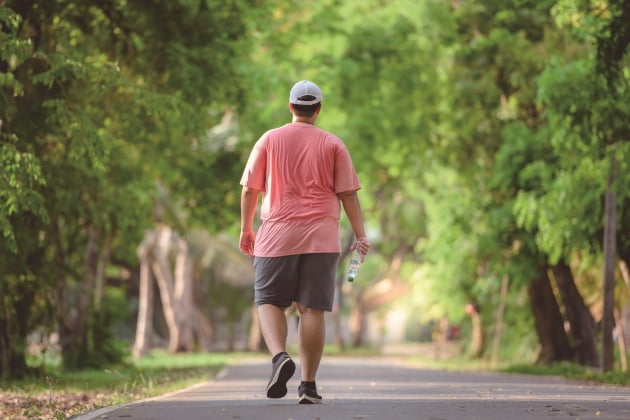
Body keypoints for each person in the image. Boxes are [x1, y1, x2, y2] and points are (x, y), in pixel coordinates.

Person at [239, 80, 370, 404]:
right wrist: (360, 234)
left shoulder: (269, 139)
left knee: (269, 300)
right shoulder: (333, 144)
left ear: (291, 106)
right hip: (322, 237)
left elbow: (249, 190)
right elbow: (348, 195)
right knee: (312, 309)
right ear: (319, 109)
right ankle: (308, 387)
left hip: (276, 234)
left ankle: (280, 357)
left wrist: (246, 228)